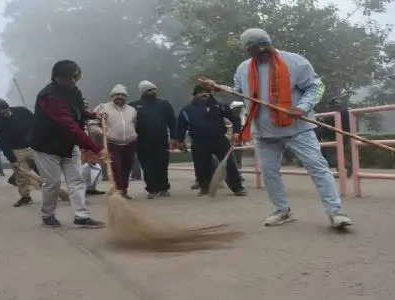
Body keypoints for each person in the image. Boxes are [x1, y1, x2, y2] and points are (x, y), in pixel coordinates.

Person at [202, 28, 352, 228]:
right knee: (269, 172)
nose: (262, 52)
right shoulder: (243, 69)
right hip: (264, 132)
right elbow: (239, 92)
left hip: (298, 128)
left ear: (269, 43)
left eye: (265, 47)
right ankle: (282, 211)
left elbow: (316, 87)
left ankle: (336, 213)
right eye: (256, 49)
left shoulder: (296, 62)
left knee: (318, 168)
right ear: (249, 50)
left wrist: (302, 107)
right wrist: (220, 88)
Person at [31, 60, 105, 228]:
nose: (73, 81)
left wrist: (93, 115)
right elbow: (69, 125)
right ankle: (47, 215)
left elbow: (78, 112)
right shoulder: (49, 97)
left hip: (70, 145)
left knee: (77, 180)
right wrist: (94, 147)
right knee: (53, 183)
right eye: (69, 78)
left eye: (75, 77)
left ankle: (81, 216)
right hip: (47, 147)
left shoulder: (74, 91)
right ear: (57, 78)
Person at [176, 84, 247, 196]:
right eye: (201, 92)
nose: (204, 94)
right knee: (201, 166)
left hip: (219, 141)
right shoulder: (187, 110)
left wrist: (236, 132)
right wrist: (180, 141)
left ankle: (237, 188)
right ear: (195, 95)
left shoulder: (220, 106)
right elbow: (181, 126)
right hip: (199, 142)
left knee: (229, 165)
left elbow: (235, 119)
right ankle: (205, 188)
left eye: (207, 92)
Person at [129, 81, 176, 199]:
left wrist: (175, 138)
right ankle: (152, 189)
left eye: (154, 89)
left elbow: (172, 122)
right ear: (143, 91)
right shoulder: (134, 105)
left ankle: (164, 188)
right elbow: (129, 124)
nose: (153, 91)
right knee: (147, 166)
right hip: (142, 142)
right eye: (149, 90)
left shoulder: (164, 104)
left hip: (161, 140)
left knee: (162, 164)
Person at [94, 84, 138, 199]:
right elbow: (92, 125)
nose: (120, 97)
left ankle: (124, 190)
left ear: (126, 97)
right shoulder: (103, 108)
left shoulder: (132, 110)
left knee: (127, 167)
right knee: (116, 167)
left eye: (123, 95)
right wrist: (104, 132)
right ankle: (117, 191)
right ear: (112, 96)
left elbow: (134, 124)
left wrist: (134, 134)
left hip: (130, 142)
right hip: (112, 143)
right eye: (117, 94)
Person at [0, 98, 37, 207]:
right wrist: (12, 159)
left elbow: (36, 124)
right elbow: (3, 143)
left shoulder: (22, 111)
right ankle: (26, 197)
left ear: (8, 107)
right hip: (16, 151)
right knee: (21, 177)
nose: (4, 114)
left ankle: (53, 192)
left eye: (5, 111)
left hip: (33, 147)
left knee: (44, 171)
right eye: (0, 113)